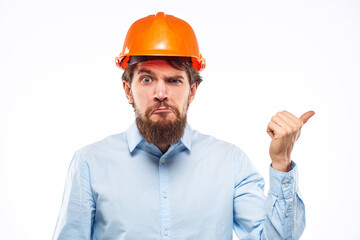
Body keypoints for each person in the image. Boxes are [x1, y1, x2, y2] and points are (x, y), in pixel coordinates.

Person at [53, 12, 314, 240]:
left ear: (192, 90)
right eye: (146, 79)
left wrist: (281, 162)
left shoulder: (230, 163)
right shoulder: (89, 163)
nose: (160, 93)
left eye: (174, 80)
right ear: (127, 90)